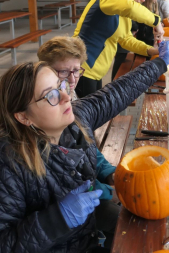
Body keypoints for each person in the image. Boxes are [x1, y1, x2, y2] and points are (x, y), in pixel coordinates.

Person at [0, 41, 169, 252]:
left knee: (154, 233)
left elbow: (118, 92)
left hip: (87, 236)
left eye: (60, 85)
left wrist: (159, 64)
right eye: (51, 96)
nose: (66, 97)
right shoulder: (10, 164)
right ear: (23, 117)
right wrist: (56, 219)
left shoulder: (76, 118)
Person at [37, 35, 121, 248]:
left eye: (76, 70)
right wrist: (108, 191)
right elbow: (70, 174)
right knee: (124, 222)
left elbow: (87, 147)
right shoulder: (46, 109)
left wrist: (110, 172)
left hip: (84, 195)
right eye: (64, 72)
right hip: (63, 212)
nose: (72, 79)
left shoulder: (70, 98)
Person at [74, 0, 164, 97]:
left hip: (96, 70)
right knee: (87, 115)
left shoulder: (121, 5)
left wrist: (150, 50)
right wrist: (156, 21)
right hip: (83, 67)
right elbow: (130, 7)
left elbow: (125, 39)